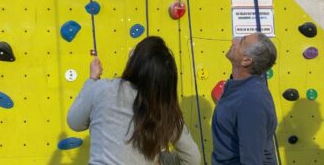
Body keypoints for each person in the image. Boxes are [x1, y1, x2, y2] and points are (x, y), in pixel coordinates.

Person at [67, 36, 201, 165]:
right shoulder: (165, 108)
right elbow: (192, 159)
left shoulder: (103, 89)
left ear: (135, 63)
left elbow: (74, 122)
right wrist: (162, 160)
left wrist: (92, 80)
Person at [211, 33, 278, 165]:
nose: (233, 40)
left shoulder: (252, 101)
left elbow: (252, 160)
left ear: (246, 60)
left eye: (241, 41)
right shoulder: (238, 87)